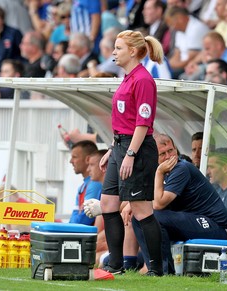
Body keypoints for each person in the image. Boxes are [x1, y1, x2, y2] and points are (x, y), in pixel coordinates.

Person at [99, 30, 164, 276]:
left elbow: (142, 122)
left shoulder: (143, 79)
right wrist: (112, 150)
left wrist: (130, 154)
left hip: (136, 148)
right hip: (120, 146)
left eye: (118, 48)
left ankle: (157, 269)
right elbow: (123, 120)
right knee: (108, 202)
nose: (113, 52)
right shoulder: (127, 77)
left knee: (140, 208)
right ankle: (116, 264)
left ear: (133, 51)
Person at [132, 133, 227, 274]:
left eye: (171, 151)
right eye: (162, 154)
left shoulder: (181, 168)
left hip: (214, 226)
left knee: (154, 216)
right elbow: (142, 196)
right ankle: (154, 268)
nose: (169, 157)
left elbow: (158, 204)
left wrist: (159, 173)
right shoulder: (156, 170)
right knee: (139, 218)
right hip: (190, 222)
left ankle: (163, 270)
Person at [69, 140, 102, 226]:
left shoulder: (95, 184)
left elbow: (84, 220)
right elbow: (75, 216)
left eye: (74, 157)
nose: (71, 161)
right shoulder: (83, 186)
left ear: (87, 159)